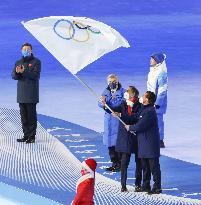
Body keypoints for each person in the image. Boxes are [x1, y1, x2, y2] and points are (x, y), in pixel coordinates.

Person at [125, 91, 162, 194]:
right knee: (145, 167)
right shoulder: (144, 109)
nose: (141, 97)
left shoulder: (150, 111)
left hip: (150, 144)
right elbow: (135, 117)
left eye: (144, 96)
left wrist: (130, 127)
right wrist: (120, 114)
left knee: (154, 167)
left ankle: (157, 187)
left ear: (148, 99)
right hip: (143, 143)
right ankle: (145, 185)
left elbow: (141, 125)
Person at [111, 86, 142, 192]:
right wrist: (104, 103)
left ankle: (138, 185)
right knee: (124, 162)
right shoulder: (123, 104)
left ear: (133, 94)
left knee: (139, 163)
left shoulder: (140, 105)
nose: (126, 92)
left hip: (136, 137)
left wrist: (121, 115)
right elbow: (112, 108)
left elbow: (134, 118)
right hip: (125, 138)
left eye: (128, 91)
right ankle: (123, 185)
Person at [12, 43, 41, 144]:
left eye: (28, 49)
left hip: (31, 94)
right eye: (24, 49)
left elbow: (35, 75)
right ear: (21, 50)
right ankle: (26, 135)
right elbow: (14, 76)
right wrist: (17, 72)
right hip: (21, 94)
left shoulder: (36, 62)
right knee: (24, 117)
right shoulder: (18, 62)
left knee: (31, 117)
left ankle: (31, 137)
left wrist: (23, 72)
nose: (26, 51)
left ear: (31, 50)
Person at [98, 74, 125, 172]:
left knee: (117, 143)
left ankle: (121, 164)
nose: (111, 83)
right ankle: (114, 163)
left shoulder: (123, 92)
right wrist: (102, 102)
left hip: (117, 120)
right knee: (110, 144)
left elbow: (120, 103)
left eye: (113, 81)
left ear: (117, 81)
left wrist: (108, 103)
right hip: (108, 121)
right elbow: (100, 102)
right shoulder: (105, 91)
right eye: (109, 82)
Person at [147, 53, 168, 148]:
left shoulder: (161, 73)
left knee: (158, 120)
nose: (150, 60)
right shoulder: (153, 71)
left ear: (157, 61)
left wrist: (157, 103)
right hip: (150, 100)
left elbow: (162, 89)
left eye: (152, 59)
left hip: (157, 102)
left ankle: (160, 140)